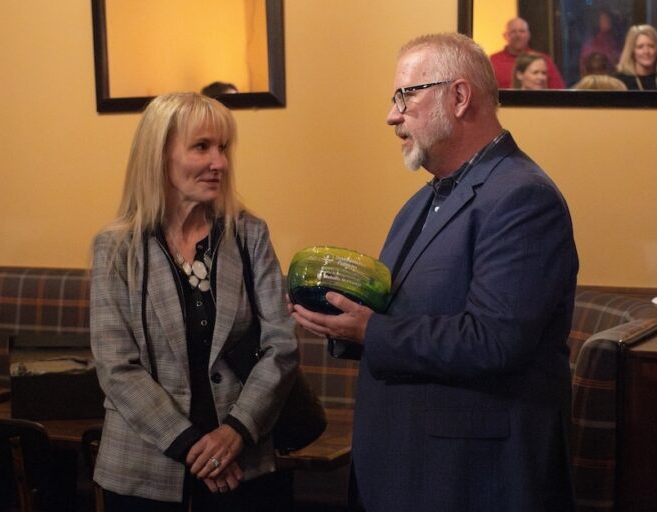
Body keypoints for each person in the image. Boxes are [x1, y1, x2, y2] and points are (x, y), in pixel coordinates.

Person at [291, 32, 578, 511]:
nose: (392, 115)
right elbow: (404, 312)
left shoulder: (523, 197)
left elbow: (494, 341)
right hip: (405, 467)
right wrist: (340, 318)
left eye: (405, 95)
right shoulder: (424, 199)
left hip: (470, 478)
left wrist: (370, 331)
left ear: (459, 97)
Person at [90, 92, 298, 511]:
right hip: (142, 470)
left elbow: (282, 346)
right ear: (159, 156)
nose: (219, 162)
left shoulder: (248, 235)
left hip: (244, 463)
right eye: (201, 147)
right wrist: (193, 447)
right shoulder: (116, 248)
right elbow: (116, 367)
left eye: (222, 148)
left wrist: (236, 431)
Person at [490, 17, 565, 89]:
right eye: (513, 32)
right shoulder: (492, 61)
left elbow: (559, 91)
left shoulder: (543, 60)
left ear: (528, 34)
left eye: (522, 31)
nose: (518, 35)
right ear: (505, 36)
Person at [615, 24, 657, 91]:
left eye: (651, 46)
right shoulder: (619, 81)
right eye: (640, 47)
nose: (646, 52)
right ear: (632, 51)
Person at [579, 10, 623, 76]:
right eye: (604, 19)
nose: (607, 21)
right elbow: (584, 68)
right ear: (598, 22)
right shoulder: (590, 43)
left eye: (608, 19)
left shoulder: (615, 42)